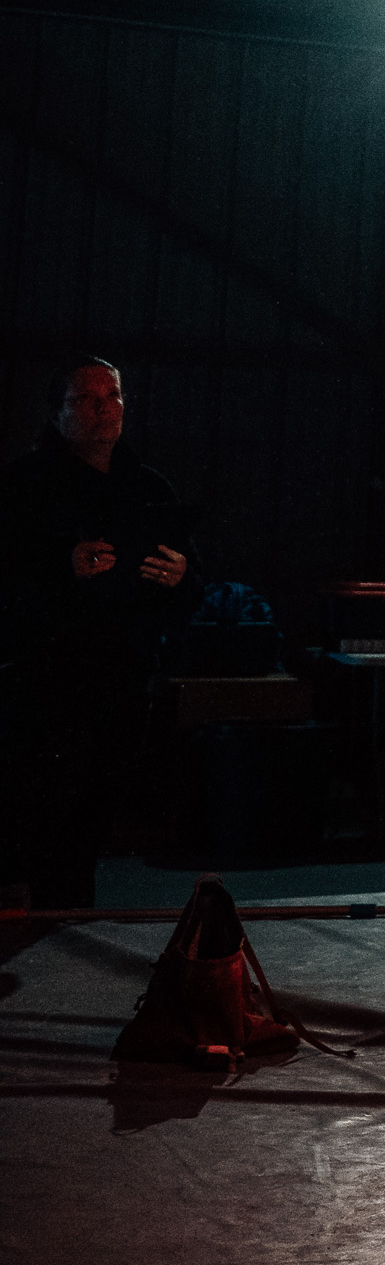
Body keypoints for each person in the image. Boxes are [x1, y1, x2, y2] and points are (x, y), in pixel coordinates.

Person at [0, 356, 193, 910]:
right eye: (85, 398)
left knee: (94, 812)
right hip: (44, 680)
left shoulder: (147, 486)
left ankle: (70, 920)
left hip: (123, 678)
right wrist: (62, 567)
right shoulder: (23, 485)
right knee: (42, 813)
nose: (103, 408)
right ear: (57, 412)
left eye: (112, 395)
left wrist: (180, 575)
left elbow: (191, 580)